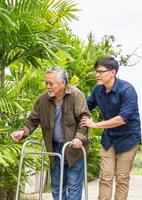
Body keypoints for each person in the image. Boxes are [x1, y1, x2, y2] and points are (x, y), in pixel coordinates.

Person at [11, 66, 90, 200]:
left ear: (63, 83)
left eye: (51, 83)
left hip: (73, 148)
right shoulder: (42, 100)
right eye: (46, 82)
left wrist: (79, 138)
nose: (47, 86)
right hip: (55, 148)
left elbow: (84, 119)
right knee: (57, 186)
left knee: (73, 187)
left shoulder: (76, 95)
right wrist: (22, 132)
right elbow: (33, 120)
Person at [81, 56, 141, 200]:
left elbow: (122, 119)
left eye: (101, 71)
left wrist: (95, 125)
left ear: (113, 72)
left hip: (128, 140)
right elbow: (85, 108)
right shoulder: (97, 90)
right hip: (109, 139)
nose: (97, 74)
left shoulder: (127, 90)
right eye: (96, 71)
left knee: (121, 178)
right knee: (105, 177)